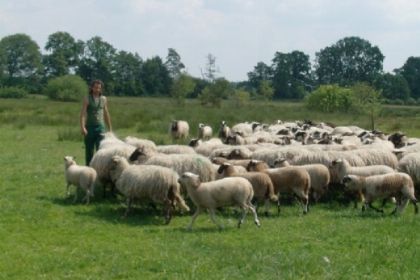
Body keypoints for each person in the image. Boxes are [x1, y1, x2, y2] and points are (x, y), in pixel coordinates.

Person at [80, 79, 112, 165]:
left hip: (100, 127)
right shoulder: (87, 98)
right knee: (89, 151)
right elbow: (83, 114)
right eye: (95, 87)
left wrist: (110, 128)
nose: (97, 89)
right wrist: (83, 127)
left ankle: (98, 171)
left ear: (101, 89)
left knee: (100, 150)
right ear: (92, 88)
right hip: (89, 127)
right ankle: (88, 170)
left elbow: (106, 113)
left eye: (99, 88)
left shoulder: (104, 99)